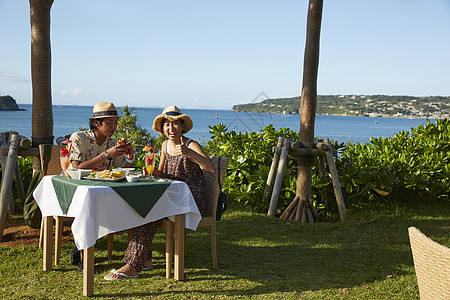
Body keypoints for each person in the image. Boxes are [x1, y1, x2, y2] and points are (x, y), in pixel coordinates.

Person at [104, 105, 215, 280]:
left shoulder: (190, 144)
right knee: (141, 205)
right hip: (169, 195)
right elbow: (162, 173)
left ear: (182, 126)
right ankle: (144, 260)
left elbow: (211, 167)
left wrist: (188, 153)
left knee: (149, 208)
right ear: (162, 128)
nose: (171, 129)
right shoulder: (164, 145)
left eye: (175, 124)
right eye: (167, 125)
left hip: (190, 199)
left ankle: (133, 264)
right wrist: (150, 171)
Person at [68, 101, 137, 273]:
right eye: (109, 123)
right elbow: (77, 167)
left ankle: (81, 245)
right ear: (97, 123)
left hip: (101, 192)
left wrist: (129, 157)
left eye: (115, 122)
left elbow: (122, 169)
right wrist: (107, 154)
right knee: (89, 207)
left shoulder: (112, 142)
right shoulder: (79, 138)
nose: (114, 126)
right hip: (76, 189)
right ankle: (84, 256)